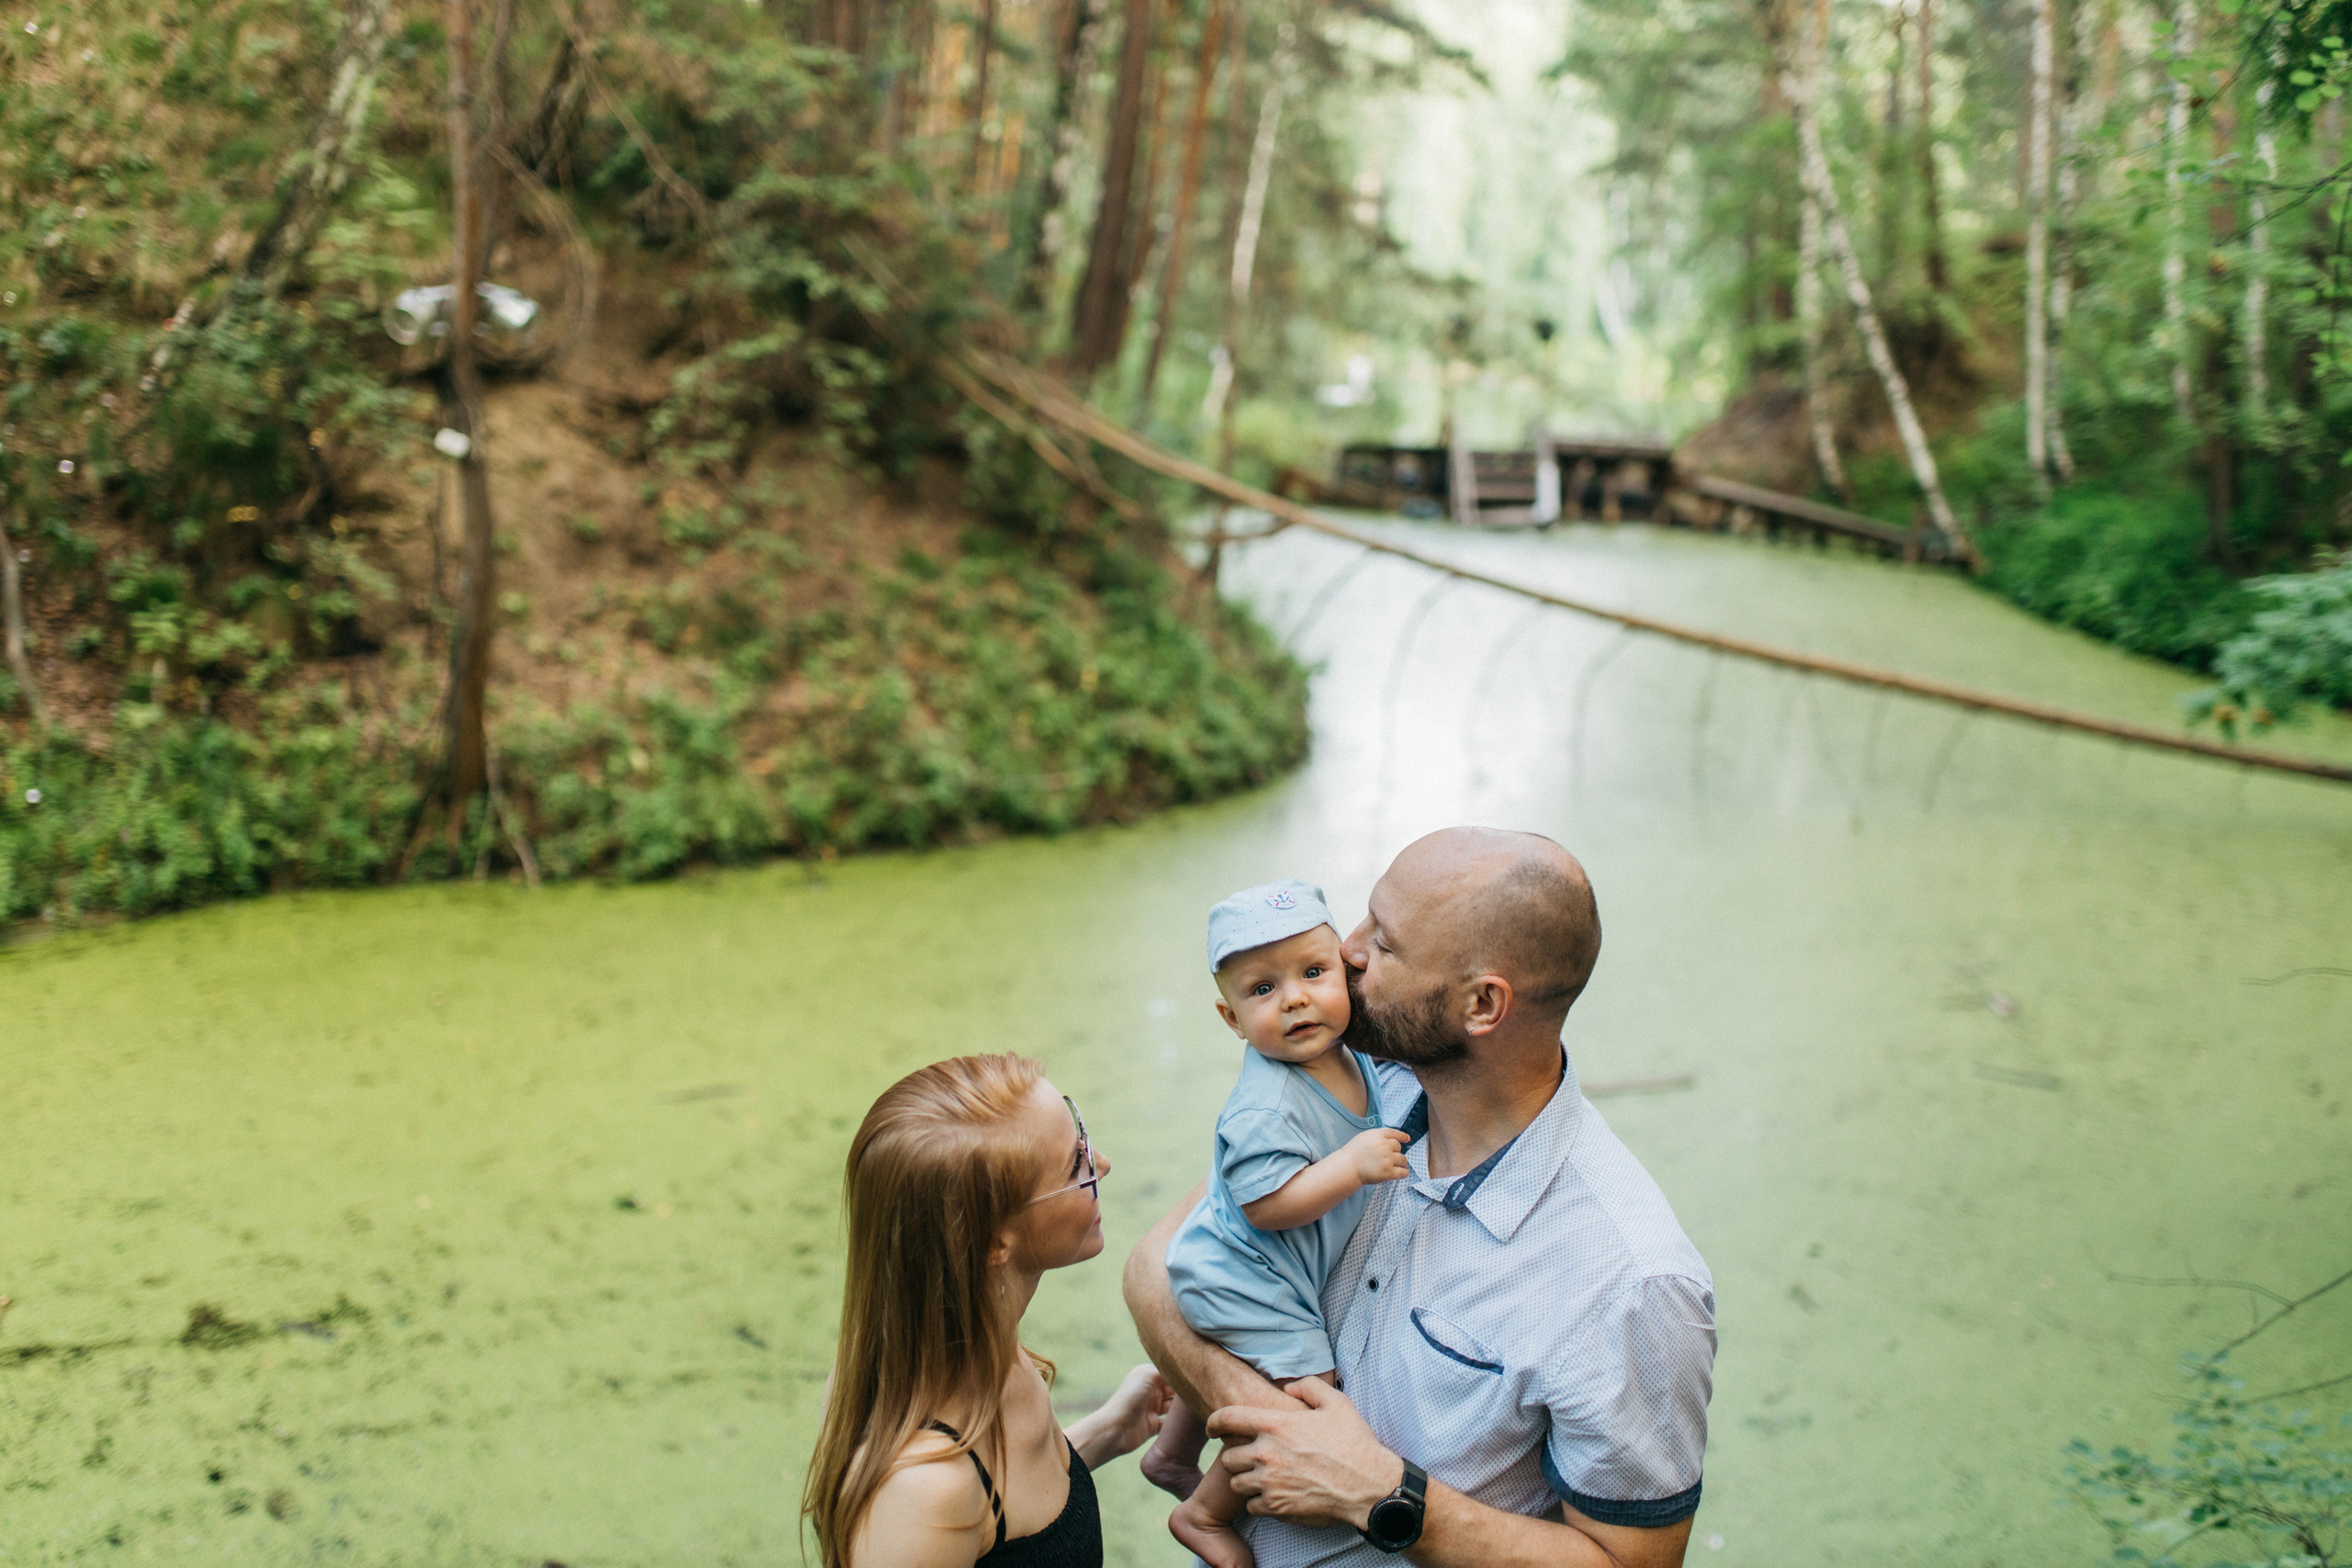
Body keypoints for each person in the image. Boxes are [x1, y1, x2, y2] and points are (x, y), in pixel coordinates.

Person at [1124, 829, 1716, 1567]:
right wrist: (1274, 1416)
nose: (1348, 951)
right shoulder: (1351, 1078)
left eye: (1387, 943)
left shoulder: (1633, 1281)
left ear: (1481, 1004)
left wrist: (1382, 1494)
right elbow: (1153, 1266)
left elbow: (1632, 1563)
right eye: (1363, 918)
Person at [804, 1054, 1172, 1568]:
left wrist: (1110, 1429)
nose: (1102, 1164)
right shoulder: (926, 1498)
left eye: (1081, 1135)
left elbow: (1015, 1530)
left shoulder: (979, 1348)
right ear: (994, 1241)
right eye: (1075, 1164)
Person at [1149, 879, 1415, 1566]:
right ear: (1230, 1017)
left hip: (1244, 1268)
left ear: (1346, 971)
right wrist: (1351, 1166)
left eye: (1313, 972)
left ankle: (1173, 1450)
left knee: (1242, 1355)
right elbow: (1267, 1206)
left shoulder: (1350, 1056)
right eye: (1262, 989)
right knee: (1301, 1398)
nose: (1294, 997)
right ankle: (1206, 1514)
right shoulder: (1264, 1106)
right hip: (1247, 1275)